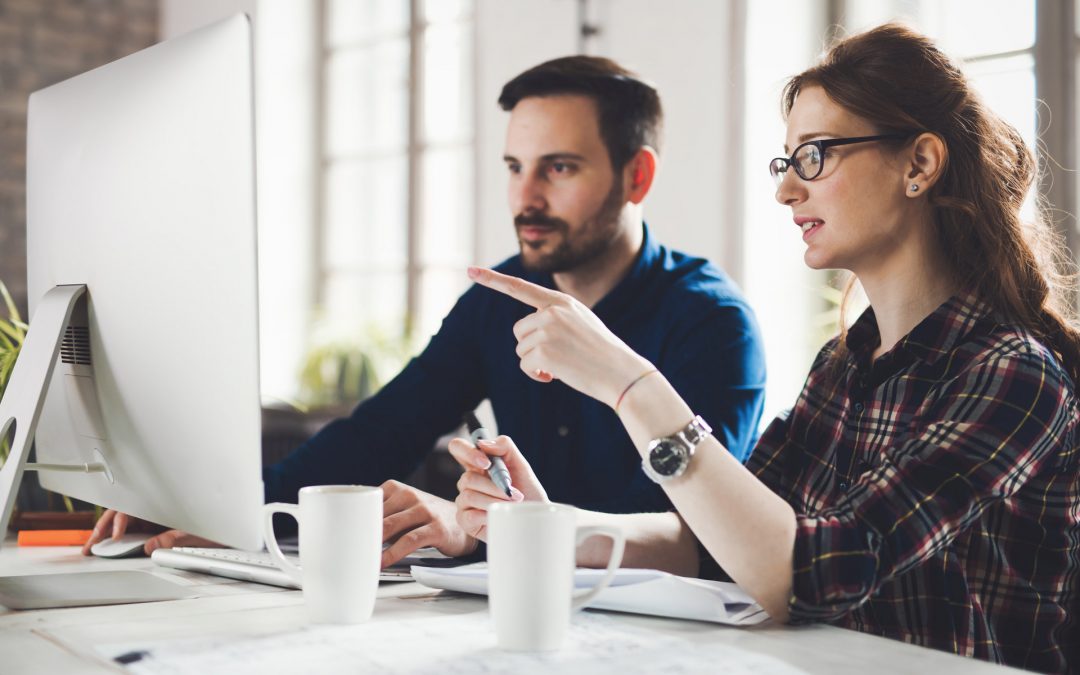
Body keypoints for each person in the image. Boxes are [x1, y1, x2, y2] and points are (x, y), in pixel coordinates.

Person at [450, 24, 1079, 672]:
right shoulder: (842, 368)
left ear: (918, 164)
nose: (786, 190)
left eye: (816, 155)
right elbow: (720, 544)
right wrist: (548, 525)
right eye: (788, 162)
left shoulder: (1014, 376)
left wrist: (631, 385)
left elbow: (810, 573)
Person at [82, 56, 767, 568]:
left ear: (636, 176)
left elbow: (697, 538)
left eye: (558, 168)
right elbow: (381, 431)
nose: (525, 196)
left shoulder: (713, 324)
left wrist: (480, 531)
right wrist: (227, 516)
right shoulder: (497, 300)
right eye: (514, 166)